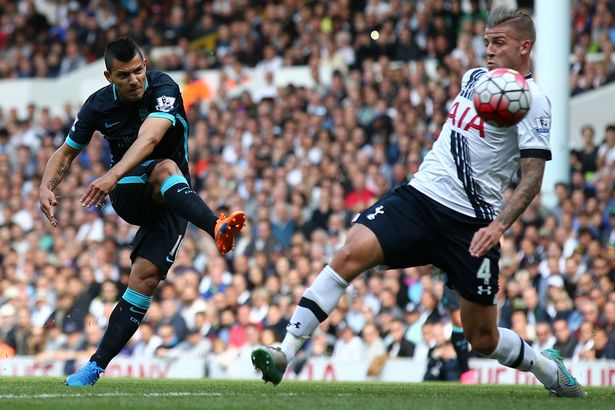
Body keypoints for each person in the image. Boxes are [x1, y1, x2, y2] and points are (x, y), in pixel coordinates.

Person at [252, 8, 586, 397]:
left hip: (472, 225)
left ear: (525, 46)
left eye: (500, 43)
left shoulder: (534, 101)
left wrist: (499, 226)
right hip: (420, 198)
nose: (490, 51)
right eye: (487, 42)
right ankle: (284, 352)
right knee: (349, 253)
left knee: (482, 338)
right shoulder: (474, 79)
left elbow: (532, 177)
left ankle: (546, 367)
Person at [39, 37, 245, 386]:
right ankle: (216, 227)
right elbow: (66, 151)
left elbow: (150, 138)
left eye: (138, 70)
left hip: (173, 196)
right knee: (164, 167)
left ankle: (92, 369)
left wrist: (108, 175)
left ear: (145, 63)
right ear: (109, 77)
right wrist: (45, 186)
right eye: (124, 75)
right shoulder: (97, 106)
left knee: (144, 282)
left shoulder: (164, 87)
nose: (134, 80)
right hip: (130, 190)